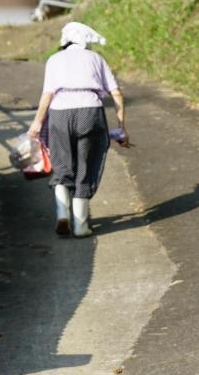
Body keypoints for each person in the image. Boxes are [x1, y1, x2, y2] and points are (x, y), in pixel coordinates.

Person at [28, 22, 128, 237]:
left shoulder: (54, 59)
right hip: (90, 112)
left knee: (62, 166)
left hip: (60, 113)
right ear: (86, 41)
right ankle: (81, 226)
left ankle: (62, 215)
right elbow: (116, 93)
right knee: (87, 164)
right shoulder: (96, 59)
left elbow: (48, 94)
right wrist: (121, 128)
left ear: (65, 41)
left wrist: (37, 122)